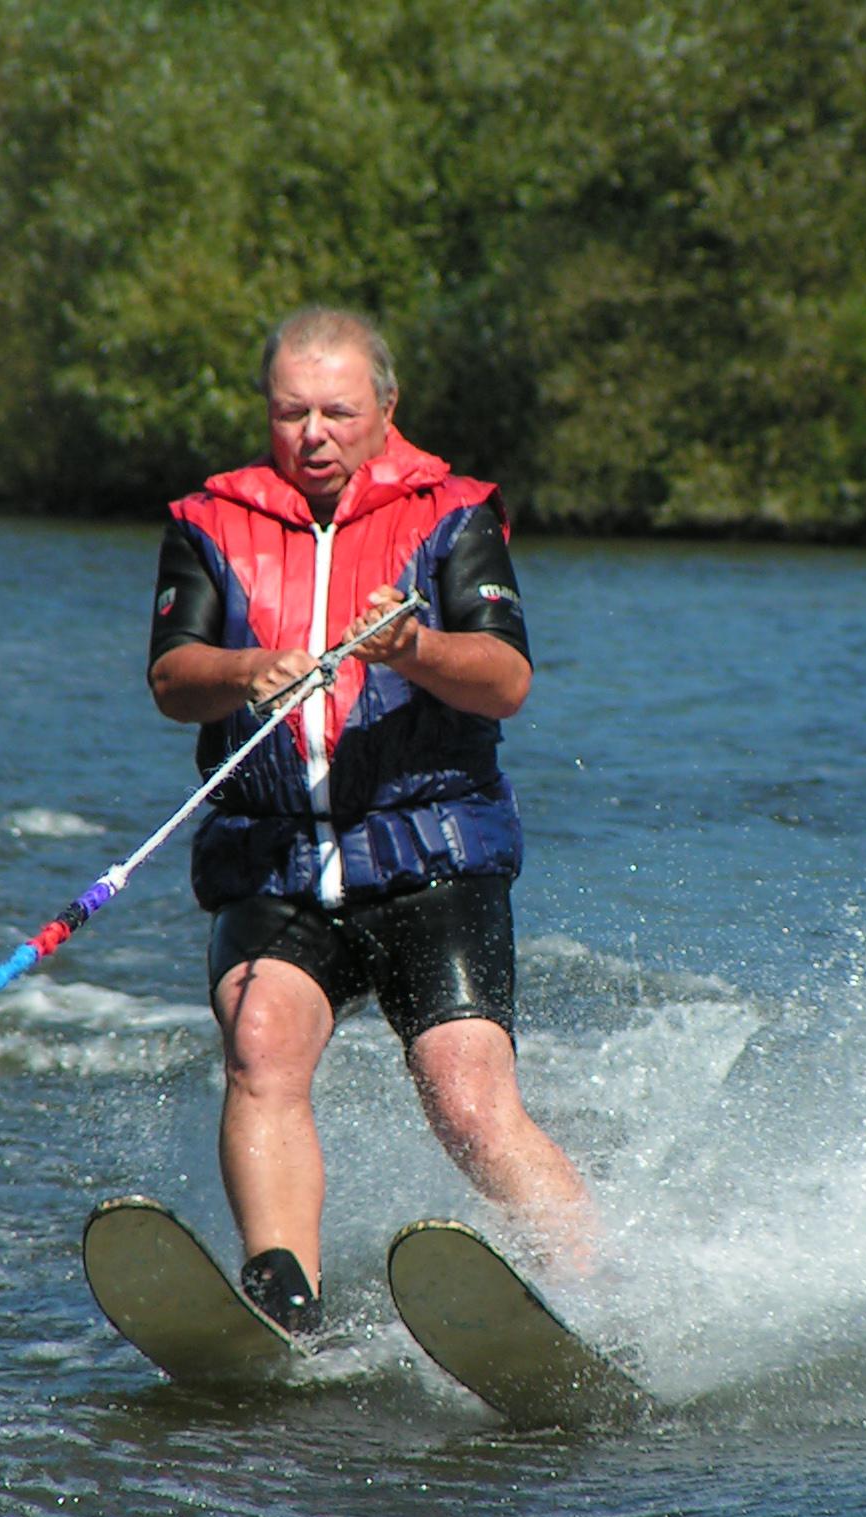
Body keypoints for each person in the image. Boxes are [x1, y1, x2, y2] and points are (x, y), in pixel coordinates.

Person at [145, 305, 592, 1334]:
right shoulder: (208, 521)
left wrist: (412, 649)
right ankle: (278, 1294)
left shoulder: (452, 514)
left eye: (337, 411)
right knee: (259, 1044)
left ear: (386, 409)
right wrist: (245, 671)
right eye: (291, 411)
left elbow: (505, 680)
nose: (313, 434)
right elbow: (173, 678)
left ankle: (592, 1294)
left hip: (428, 853)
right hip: (274, 861)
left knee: (468, 1100)